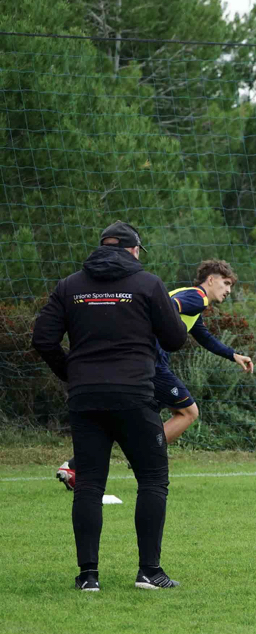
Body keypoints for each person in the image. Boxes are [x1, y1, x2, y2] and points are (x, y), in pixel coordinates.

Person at [32, 221, 188, 590]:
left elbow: (42, 338)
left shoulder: (70, 286)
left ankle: (89, 577)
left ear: (101, 248)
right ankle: (149, 572)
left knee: (88, 485)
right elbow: (176, 339)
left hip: (86, 397)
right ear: (134, 251)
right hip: (134, 395)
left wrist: (70, 370)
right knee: (152, 479)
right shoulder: (148, 284)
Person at [55, 259, 253, 489]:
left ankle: (73, 467)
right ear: (211, 280)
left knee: (122, 421)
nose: (229, 290)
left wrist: (233, 355)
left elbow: (203, 336)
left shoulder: (193, 301)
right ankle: (142, 456)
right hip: (154, 365)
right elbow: (166, 307)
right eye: (226, 283)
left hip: (143, 362)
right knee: (188, 412)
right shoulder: (197, 297)